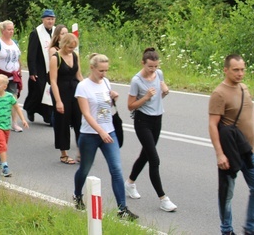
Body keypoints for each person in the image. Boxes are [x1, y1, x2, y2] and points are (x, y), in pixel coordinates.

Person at [73, 53, 138, 221]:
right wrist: (100, 131)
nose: (103, 73)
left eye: (106, 70)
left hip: (109, 132)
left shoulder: (106, 82)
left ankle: (122, 209)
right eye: (101, 70)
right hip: (90, 134)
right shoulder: (83, 87)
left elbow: (105, 107)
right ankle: (77, 195)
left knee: (116, 169)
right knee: (85, 169)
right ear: (92, 68)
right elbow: (86, 114)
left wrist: (113, 98)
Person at [209, 54, 254, 235]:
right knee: (227, 194)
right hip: (230, 152)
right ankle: (226, 230)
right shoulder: (219, 93)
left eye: (242, 69)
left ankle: (250, 227)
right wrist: (220, 154)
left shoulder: (244, 88)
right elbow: (212, 125)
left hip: (249, 150)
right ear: (226, 70)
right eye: (236, 70)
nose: (240, 73)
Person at [125, 48, 177, 212]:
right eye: (150, 67)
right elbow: (130, 106)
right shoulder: (136, 81)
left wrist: (165, 93)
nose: (153, 69)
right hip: (143, 121)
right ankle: (163, 198)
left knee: (145, 155)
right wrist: (145, 97)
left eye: (155, 66)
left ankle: (130, 182)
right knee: (154, 159)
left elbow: (157, 98)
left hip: (157, 119)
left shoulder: (159, 74)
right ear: (143, 63)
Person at [0, 74, 29, 177]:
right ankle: (5, 167)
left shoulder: (9, 97)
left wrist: (23, 119)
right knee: (2, 145)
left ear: (5, 86)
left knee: (3, 144)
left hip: (6, 125)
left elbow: (17, 108)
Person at [49, 33, 82, 164]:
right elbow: (53, 81)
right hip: (61, 91)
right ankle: (64, 153)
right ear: (63, 45)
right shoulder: (55, 58)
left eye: (73, 48)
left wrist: (88, 89)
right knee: (62, 122)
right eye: (69, 47)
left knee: (79, 121)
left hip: (75, 90)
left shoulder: (75, 55)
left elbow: (79, 75)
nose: (71, 50)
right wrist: (58, 101)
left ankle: (81, 151)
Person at [0, 20, 23, 132]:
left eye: (12, 29)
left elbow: (18, 59)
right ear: (3, 30)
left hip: (13, 77)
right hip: (1, 76)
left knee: (13, 99)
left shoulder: (15, 43)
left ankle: (14, 122)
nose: (11, 31)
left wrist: (20, 72)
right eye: (9, 29)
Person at [24, 9, 56, 124]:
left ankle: (49, 116)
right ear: (43, 19)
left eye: (52, 19)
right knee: (39, 91)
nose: (50, 21)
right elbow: (31, 54)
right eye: (48, 19)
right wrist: (32, 71)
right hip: (40, 67)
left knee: (50, 91)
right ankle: (30, 108)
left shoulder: (56, 32)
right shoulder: (36, 33)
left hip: (52, 66)